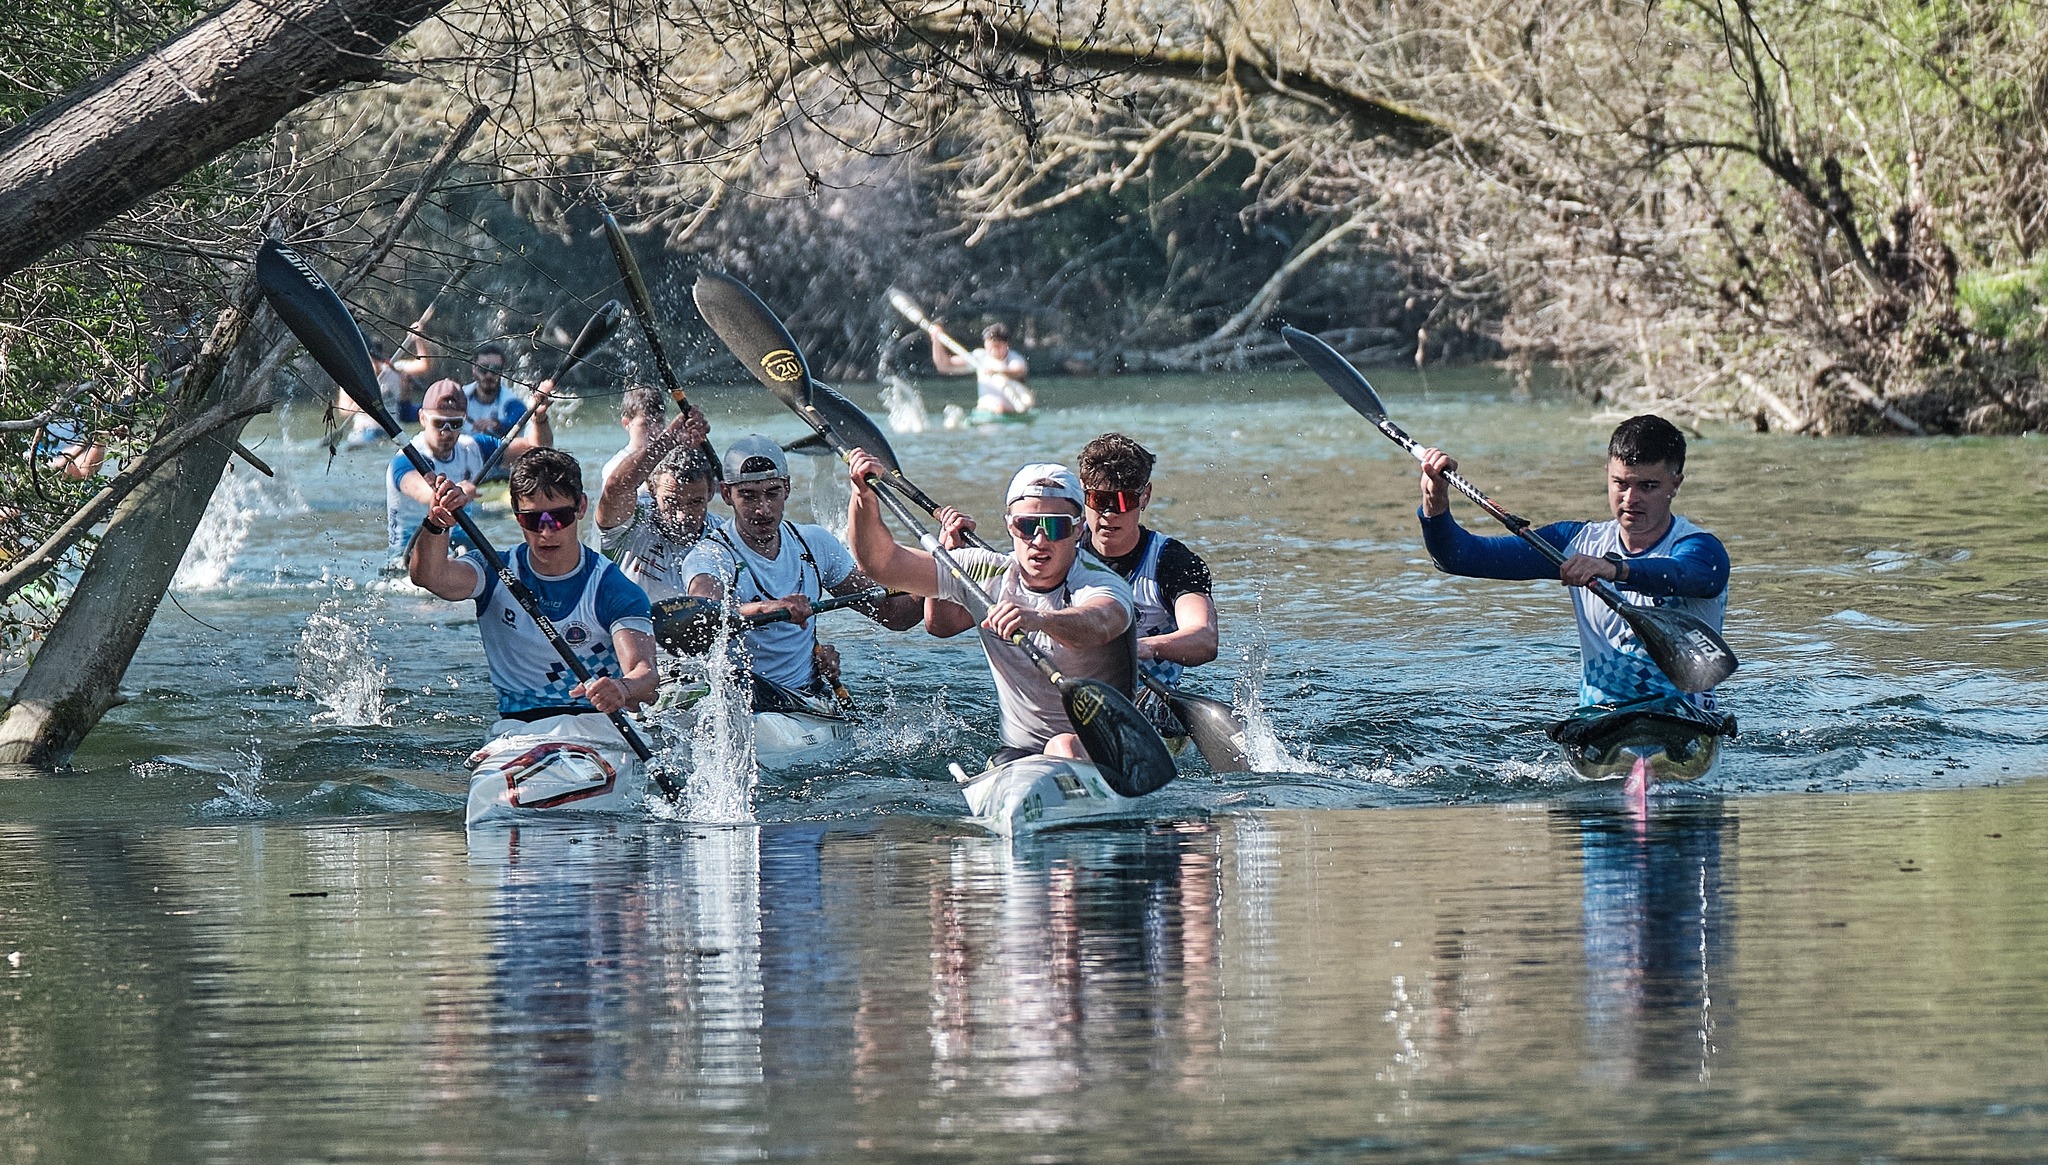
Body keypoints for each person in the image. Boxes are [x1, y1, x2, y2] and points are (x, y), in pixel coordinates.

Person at [1417, 414, 1729, 709]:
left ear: (1675, 483)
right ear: (1607, 474)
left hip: (1686, 718)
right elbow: (1458, 557)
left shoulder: (1701, 549)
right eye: (1621, 483)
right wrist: (1435, 501)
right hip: (1601, 718)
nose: (1631, 499)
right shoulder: (1575, 542)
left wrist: (1615, 569)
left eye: (1648, 486)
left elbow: (1689, 574)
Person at [845, 453, 1136, 762]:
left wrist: (1039, 619)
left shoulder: (1099, 581)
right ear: (1010, 526)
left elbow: (1101, 623)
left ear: (1078, 530)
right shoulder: (985, 572)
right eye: (1027, 525)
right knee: (1045, 752)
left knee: (1063, 746)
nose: (1039, 540)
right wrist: (863, 497)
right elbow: (881, 564)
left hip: (1107, 751)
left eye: (1056, 527)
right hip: (1019, 754)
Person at [408, 447, 656, 725]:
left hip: (597, 724)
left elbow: (645, 677)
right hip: (518, 728)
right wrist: (437, 523)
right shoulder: (494, 571)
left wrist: (622, 688)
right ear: (517, 516)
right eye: (533, 519)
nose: (546, 532)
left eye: (559, 517)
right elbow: (429, 577)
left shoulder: (612, 588)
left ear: (581, 507)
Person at [681, 435, 920, 707]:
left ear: (787, 488)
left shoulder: (815, 544)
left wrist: (934, 580)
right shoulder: (709, 556)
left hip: (807, 698)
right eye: (748, 496)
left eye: (772, 493)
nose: (762, 509)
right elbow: (702, 617)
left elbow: (894, 614)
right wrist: (768, 608)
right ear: (726, 494)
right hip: (744, 701)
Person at [1075, 433, 1218, 690]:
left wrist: (1139, 648)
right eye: (1099, 500)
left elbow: (1204, 639)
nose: (1109, 514)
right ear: (1082, 491)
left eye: (1124, 501)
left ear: (1145, 496)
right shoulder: (1061, 549)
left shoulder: (1173, 562)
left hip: (1147, 699)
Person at [386, 379, 552, 565]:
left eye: (455, 424)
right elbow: (425, 493)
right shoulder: (406, 460)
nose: (446, 432)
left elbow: (537, 449)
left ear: (464, 419)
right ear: (422, 418)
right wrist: (458, 492)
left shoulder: (474, 447)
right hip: (409, 553)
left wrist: (539, 417)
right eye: (439, 423)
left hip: (459, 542)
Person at [597, 393, 717, 602]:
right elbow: (616, 487)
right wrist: (670, 439)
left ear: (711, 492)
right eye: (671, 502)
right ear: (651, 489)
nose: (682, 516)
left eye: (695, 502)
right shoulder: (633, 522)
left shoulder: (723, 536)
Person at [931, 322, 1032, 415]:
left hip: (1009, 411)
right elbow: (944, 366)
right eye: (990, 347)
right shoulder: (980, 357)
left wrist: (995, 371)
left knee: (1001, 406)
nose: (993, 351)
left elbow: (1018, 371)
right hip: (985, 411)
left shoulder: (1013, 358)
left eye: (997, 346)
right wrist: (936, 340)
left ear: (1006, 345)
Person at [463, 342, 526, 438]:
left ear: (502, 371)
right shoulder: (459, 396)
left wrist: (497, 425)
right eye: (483, 369)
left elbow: (517, 418)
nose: (489, 375)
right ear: (474, 369)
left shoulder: (513, 403)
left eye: (495, 370)